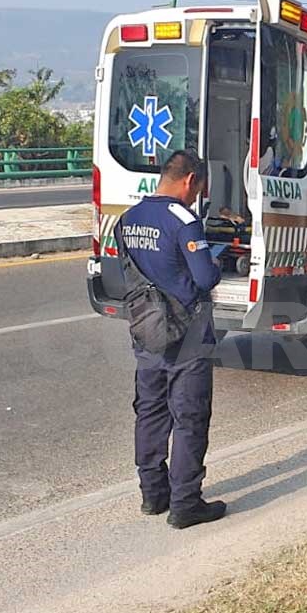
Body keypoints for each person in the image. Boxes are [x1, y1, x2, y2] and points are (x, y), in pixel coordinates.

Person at [115, 150, 226, 529]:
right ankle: (185, 504)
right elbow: (205, 278)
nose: (196, 196)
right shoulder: (184, 220)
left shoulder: (128, 219)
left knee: (149, 411)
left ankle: (152, 495)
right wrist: (217, 262)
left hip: (145, 330)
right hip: (187, 334)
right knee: (189, 417)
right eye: (198, 188)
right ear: (190, 180)